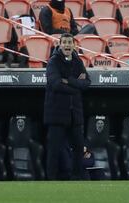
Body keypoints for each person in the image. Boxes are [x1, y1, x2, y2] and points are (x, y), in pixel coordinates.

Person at [44, 33, 91, 180]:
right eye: (64, 42)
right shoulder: (53, 62)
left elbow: (87, 82)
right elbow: (56, 83)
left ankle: (77, 178)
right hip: (57, 114)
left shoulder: (78, 61)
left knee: (78, 148)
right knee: (54, 150)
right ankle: (51, 179)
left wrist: (69, 81)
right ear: (60, 44)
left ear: (74, 45)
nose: (67, 45)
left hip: (75, 115)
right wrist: (76, 85)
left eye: (70, 42)